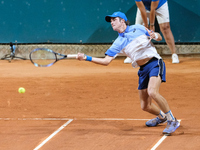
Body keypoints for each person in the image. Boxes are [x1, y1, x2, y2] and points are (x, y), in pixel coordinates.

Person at [76, 11, 180, 135]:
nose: (112, 22)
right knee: (145, 106)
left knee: (152, 91)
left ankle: (172, 120)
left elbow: (159, 37)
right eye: (111, 21)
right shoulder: (118, 42)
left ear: (123, 21)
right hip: (142, 70)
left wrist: (155, 35)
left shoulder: (138, 28)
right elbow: (106, 61)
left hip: (154, 63)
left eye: (114, 20)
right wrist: (87, 58)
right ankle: (162, 116)